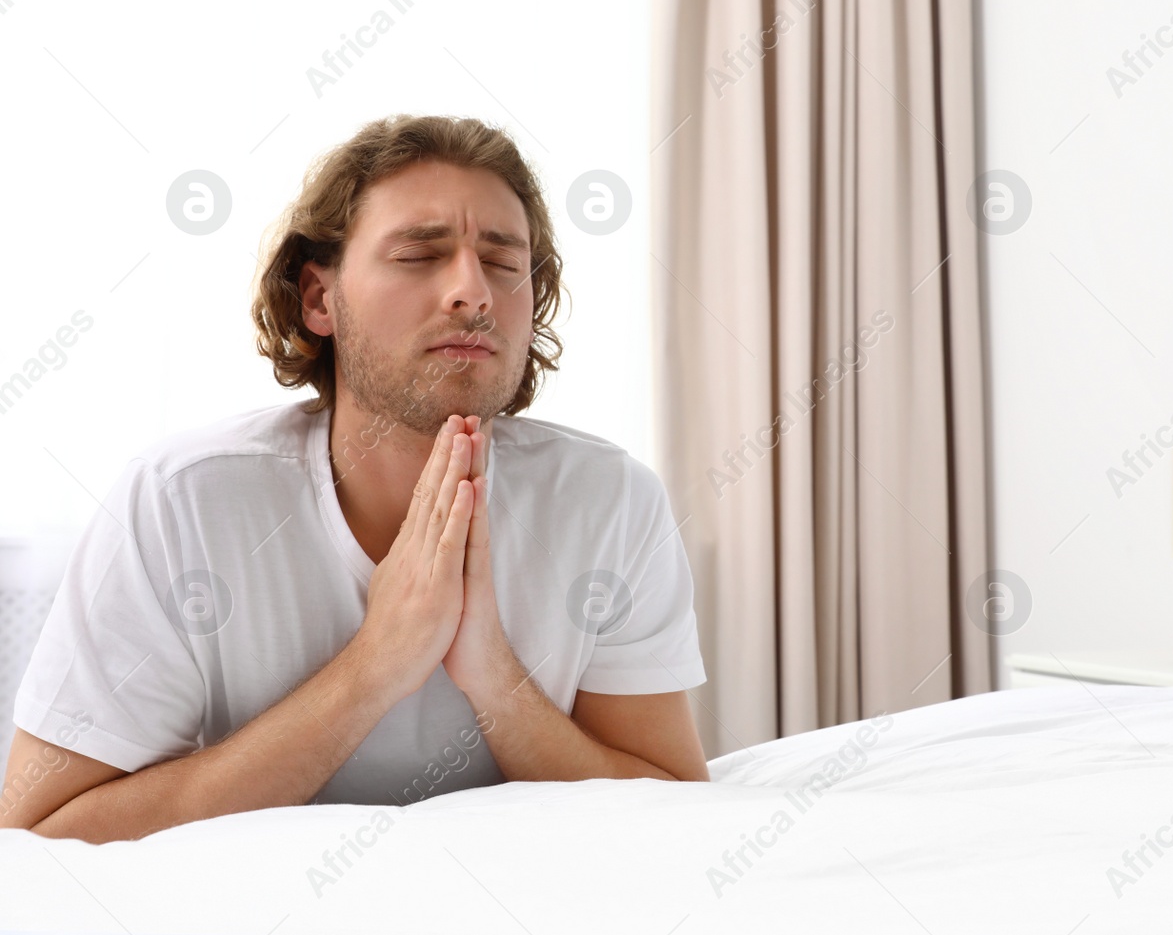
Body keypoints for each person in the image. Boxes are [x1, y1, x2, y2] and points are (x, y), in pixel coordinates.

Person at [1, 115, 710, 843]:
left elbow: (677, 812)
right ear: (318, 299)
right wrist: (376, 665)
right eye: (420, 254)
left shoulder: (610, 501)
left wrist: (495, 677)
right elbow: (38, 833)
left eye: (503, 261)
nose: (474, 291)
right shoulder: (180, 502)